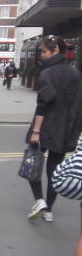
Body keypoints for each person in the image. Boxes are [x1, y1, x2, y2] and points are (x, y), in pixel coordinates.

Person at [27, 35, 82, 222]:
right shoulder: (75, 73)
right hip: (65, 129)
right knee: (54, 170)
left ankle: (39, 200)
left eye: (44, 51)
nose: (41, 55)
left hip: (45, 128)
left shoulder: (47, 73)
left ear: (55, 51)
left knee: (32, 163)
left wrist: (35, 132)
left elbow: (43, 104)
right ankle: (49, 210)